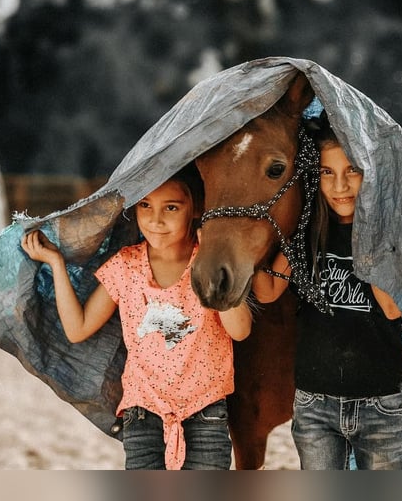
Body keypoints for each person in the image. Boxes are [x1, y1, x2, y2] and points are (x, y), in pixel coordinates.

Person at [21, 165, 252, 470]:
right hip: (142, 415)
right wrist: (55, 263)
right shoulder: (125, 267)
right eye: (145, 206)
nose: (156, 220)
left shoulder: (208, 263)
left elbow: (240, 330)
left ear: (196, 209)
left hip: (206, 413)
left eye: (171, 207)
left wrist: (213, 259)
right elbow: (77, 329)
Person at [252, 120, 402, 470]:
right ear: (315, 177)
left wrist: (369, 236)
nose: (340, 185)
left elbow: (392, 307)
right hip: (315, 405)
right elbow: (267, 291)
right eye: (327, 172)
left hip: (382, 403)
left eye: (351, 170)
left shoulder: (393, 236)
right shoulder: (307, 236)